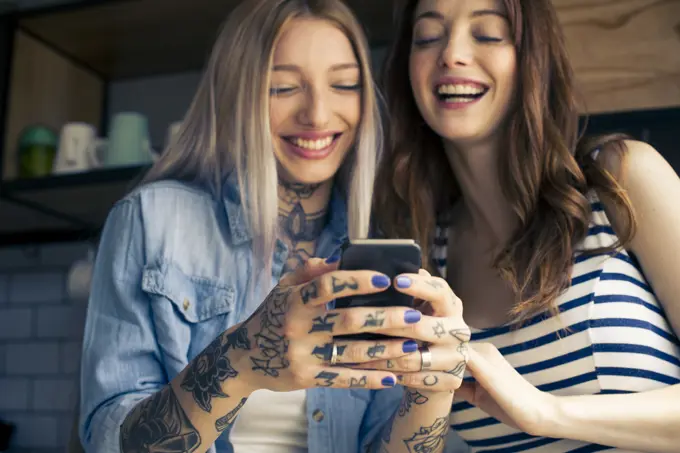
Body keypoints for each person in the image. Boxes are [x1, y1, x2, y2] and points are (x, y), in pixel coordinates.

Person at [78, 1, 470, 453]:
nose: (319, 115)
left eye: (344, 84)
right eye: (283, 88)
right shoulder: (151, 221)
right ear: (237, 95)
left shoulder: (380, 245)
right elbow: (112, 442)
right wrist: (239, 361)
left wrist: (433, 391)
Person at [368, 0, 680, 452]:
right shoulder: (424, 260)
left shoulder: (621, 179)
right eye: (428, 37)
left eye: (489, 34)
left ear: (532, 60)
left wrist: (543, 412)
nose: (451, 54)